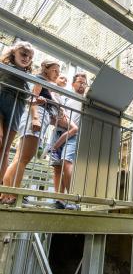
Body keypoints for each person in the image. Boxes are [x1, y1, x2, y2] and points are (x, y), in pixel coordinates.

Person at [0, 60, 60, 204]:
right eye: (55, 70)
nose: (57, 73)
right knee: (23, 158)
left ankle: (6, 194)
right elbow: (33, 99)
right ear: (46, 69)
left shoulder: (49, 86)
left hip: (40, 117)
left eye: (59, 71)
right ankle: (12, 195)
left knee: (20, 158)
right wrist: (35, 118)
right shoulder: (40, 79)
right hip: (36, 115)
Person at [51, 72, 87, 209]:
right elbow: (55, 115)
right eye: (80, 82)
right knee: (57, 166)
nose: (82, 85)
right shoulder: (65, 97)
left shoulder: (86, 100)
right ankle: (59, 200)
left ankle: (71, 199)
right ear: (73, 84)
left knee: (67, 162)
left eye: (84, 83)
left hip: (74, 135)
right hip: (58, 132)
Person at [0, 42, 34, 184]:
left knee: (5, 150)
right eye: (24, 54)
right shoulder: (4, 66)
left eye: (30, 57)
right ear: (14, 52)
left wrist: (36, 102)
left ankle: (1, 187)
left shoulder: (29, 77)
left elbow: (27, 98)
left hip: (17, 108)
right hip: (1, 101)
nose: (26, 58)